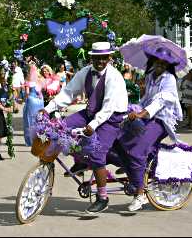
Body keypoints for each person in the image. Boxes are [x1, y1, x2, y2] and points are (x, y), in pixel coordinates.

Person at [42, 42, 128, 214]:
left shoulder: (114, 77)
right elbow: (68, 92)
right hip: (91, 112)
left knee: (97, 152)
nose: (100, 61)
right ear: (91, 58)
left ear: (109, 58)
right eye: (96, 58)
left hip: (111, 118)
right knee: (61, 127)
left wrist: (93, 125)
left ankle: (102, 198)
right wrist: (48, 108)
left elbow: (109, 107)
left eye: (104, 58)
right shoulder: (85, 72)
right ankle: (81, 160)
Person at [117, 47, 183, 211]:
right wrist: (131, 109)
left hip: (161, 120)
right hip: (148, 116)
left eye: (164, 63)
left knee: (138, 151)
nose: (160, 65)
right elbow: (146, 99)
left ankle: (140, 195)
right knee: (119, 138)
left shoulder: (169, 79)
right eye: (157, 61)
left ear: (168, 65)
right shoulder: (150, 76)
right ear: (152, 61)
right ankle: (136, 169)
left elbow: (161, 101)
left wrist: (141, 114)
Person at [23, 64, 45, 146]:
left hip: (32, 100)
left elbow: (27, 93)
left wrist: (23, 99)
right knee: (40, 119)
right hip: (40, 100)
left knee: (30, 120)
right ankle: (40, 139)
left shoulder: (28, 81)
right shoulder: (40, 80)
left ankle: (30, 141)